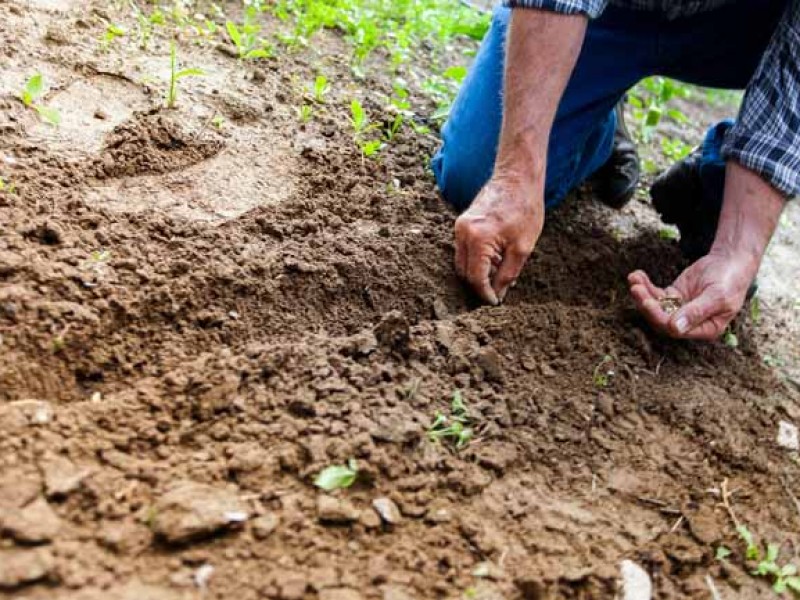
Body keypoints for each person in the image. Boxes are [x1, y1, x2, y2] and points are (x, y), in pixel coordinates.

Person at [432, 0, 798, 341]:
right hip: (613, 11)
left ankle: (717, 173)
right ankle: (596, 123)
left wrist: (737, 252)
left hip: (747, 24)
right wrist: (516, 175)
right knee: (476, 175)